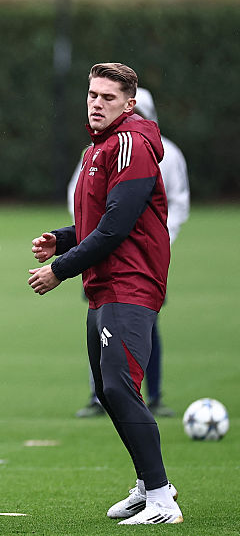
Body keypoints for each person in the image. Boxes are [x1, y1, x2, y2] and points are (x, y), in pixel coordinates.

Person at [29, 63, 182, 524]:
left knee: (119, 385)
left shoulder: (131, 145)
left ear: (129, 104)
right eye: (93, 95)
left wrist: (60, 268)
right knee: (107, 388)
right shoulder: (99, 148)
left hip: (130, 281)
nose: (96, 103)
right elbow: (100, 222)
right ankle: (147, 484)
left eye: (108, 97)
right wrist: (64, 237)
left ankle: (160, 499)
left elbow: (117, 226)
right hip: (105, 285)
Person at [69, 87, 190, 418]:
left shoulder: (165, 153)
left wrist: (163, 237)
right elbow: (80, 199)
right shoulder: (94, 150)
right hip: (98, 254)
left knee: (145, 325)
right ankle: (99, 396)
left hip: (140, 259)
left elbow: (177, 202)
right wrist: (82, 239)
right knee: (99, 325)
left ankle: (154, 393)